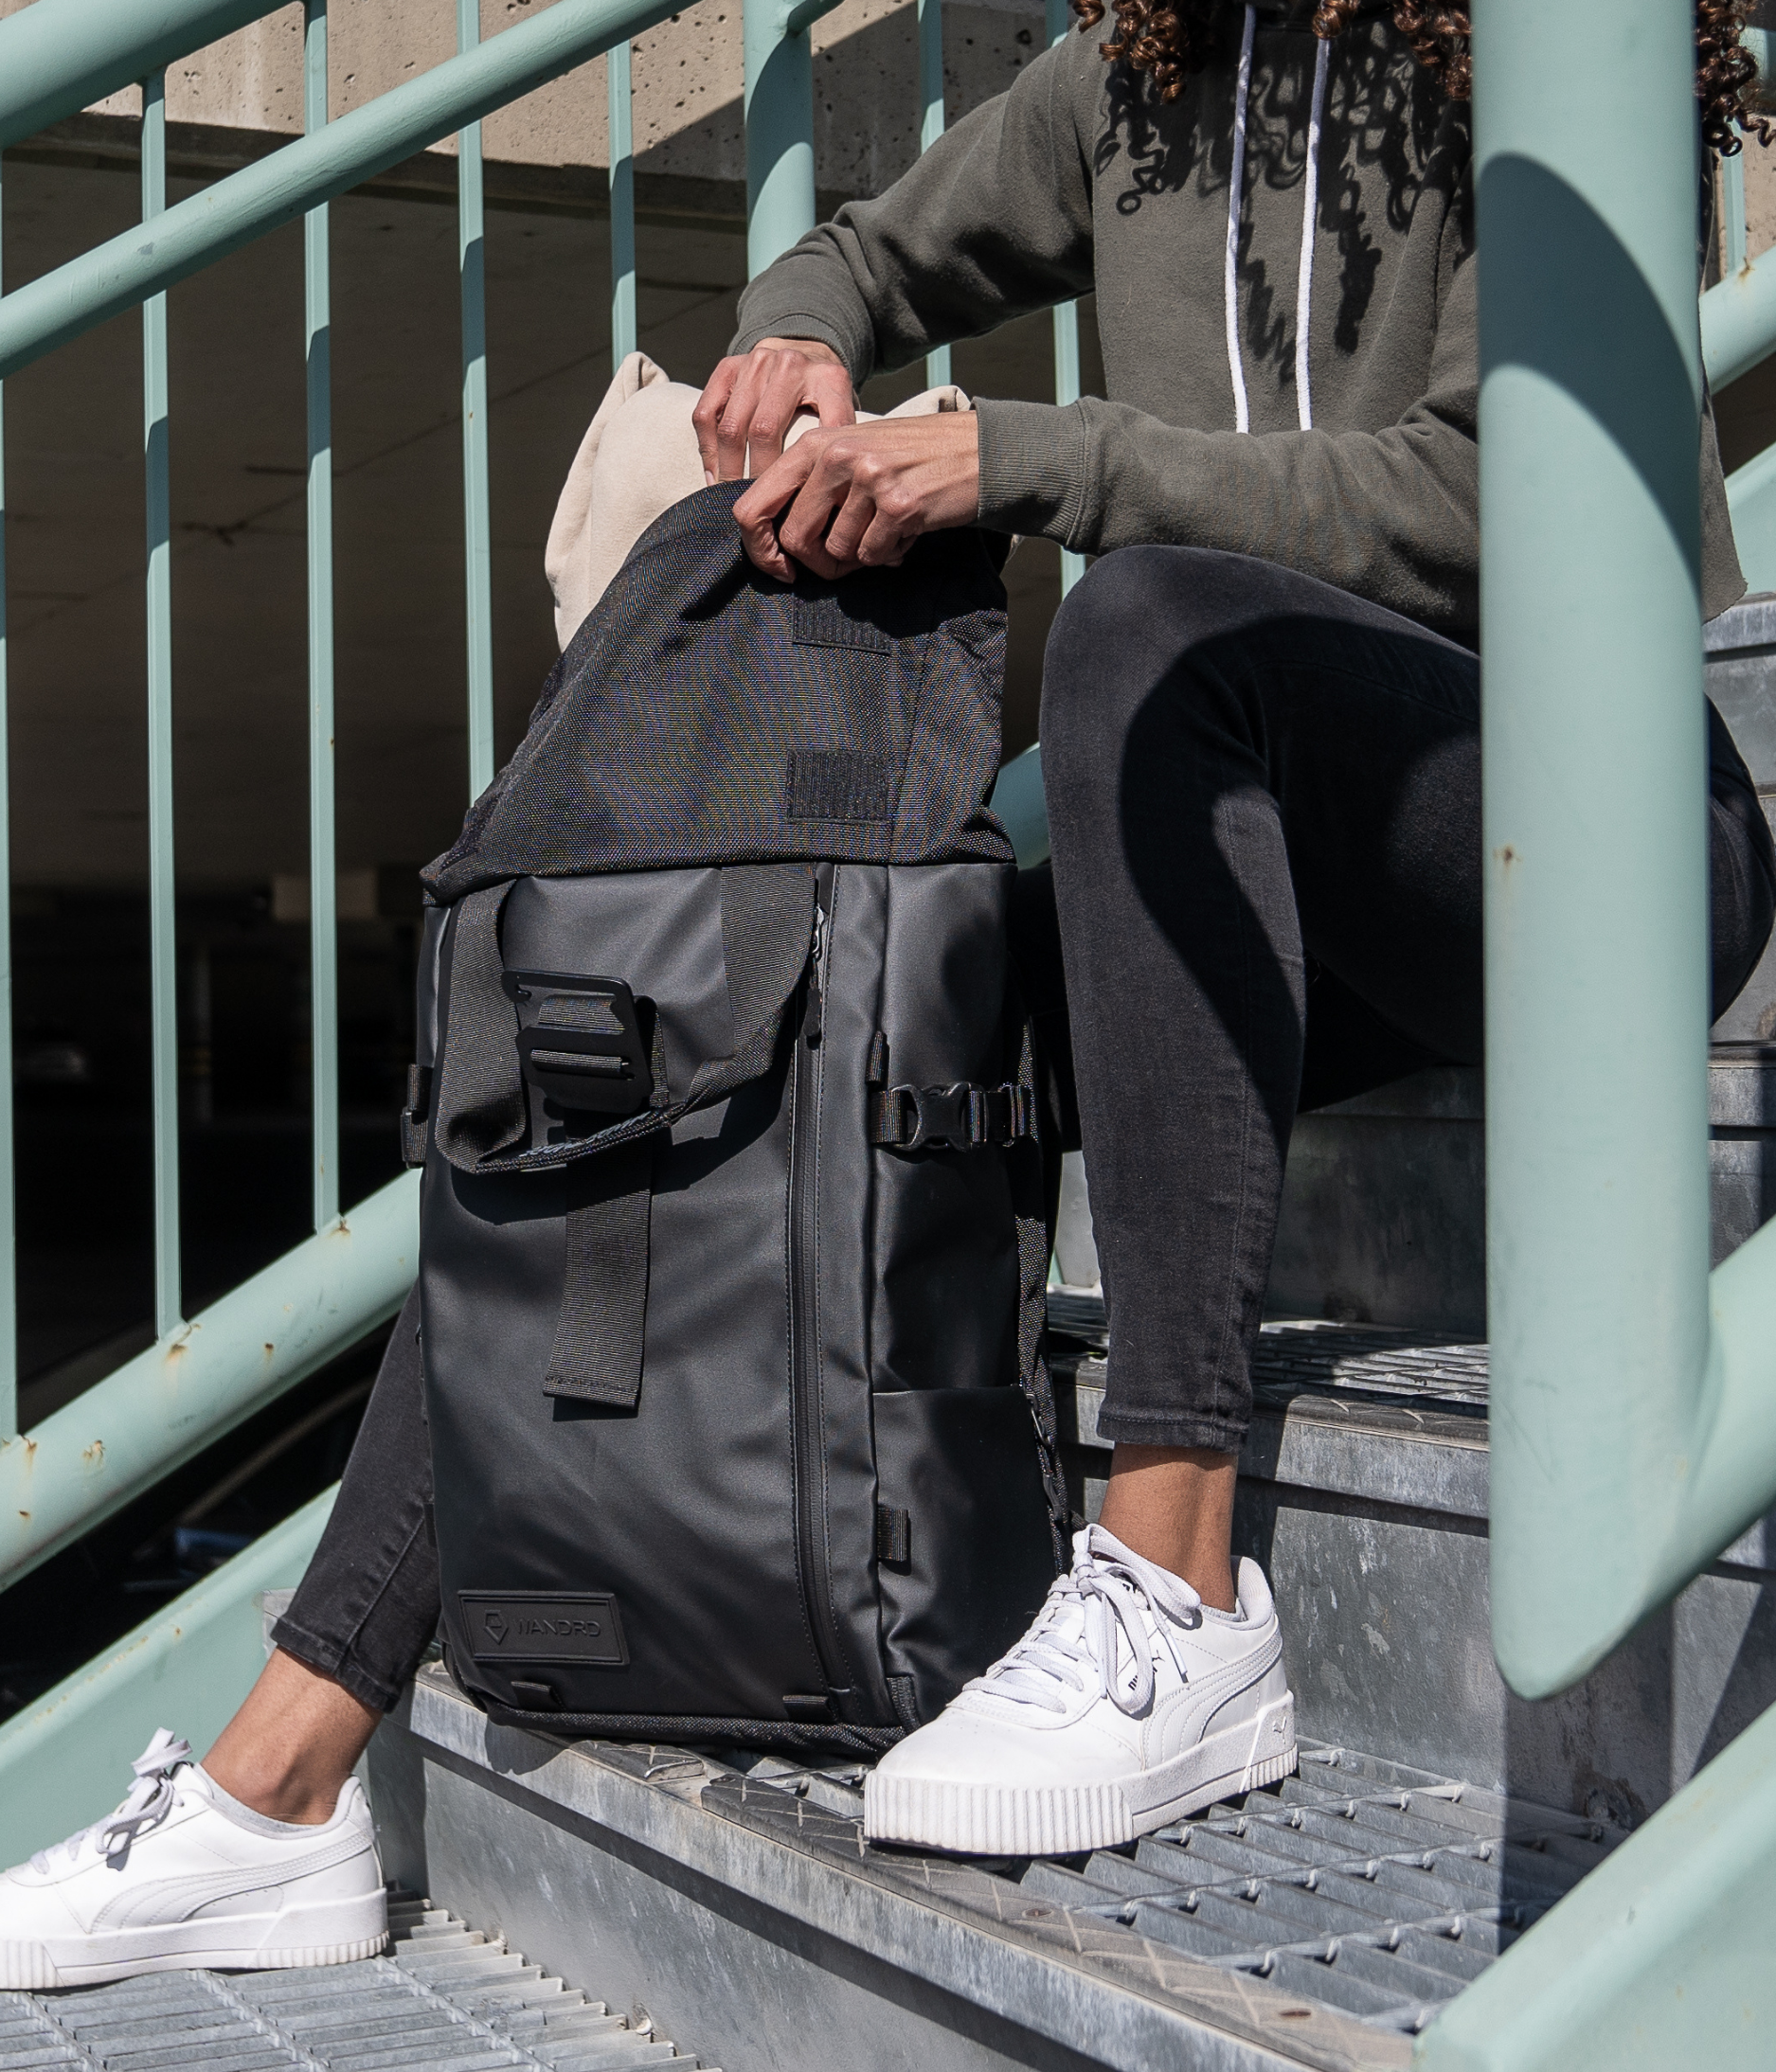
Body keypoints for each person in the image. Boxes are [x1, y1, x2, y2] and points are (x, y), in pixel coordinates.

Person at [6, 0, 1773, 1976]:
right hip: (1278, 861)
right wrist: (800, 349)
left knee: (1141, 631)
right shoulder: (1136, 79)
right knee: (764, 1021)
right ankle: (285, 1770)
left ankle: (1178, 1577)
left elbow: (1484, 499)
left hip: (1597, 841)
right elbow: (854, 252)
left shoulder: (1536, 48)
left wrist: (1013, 457)